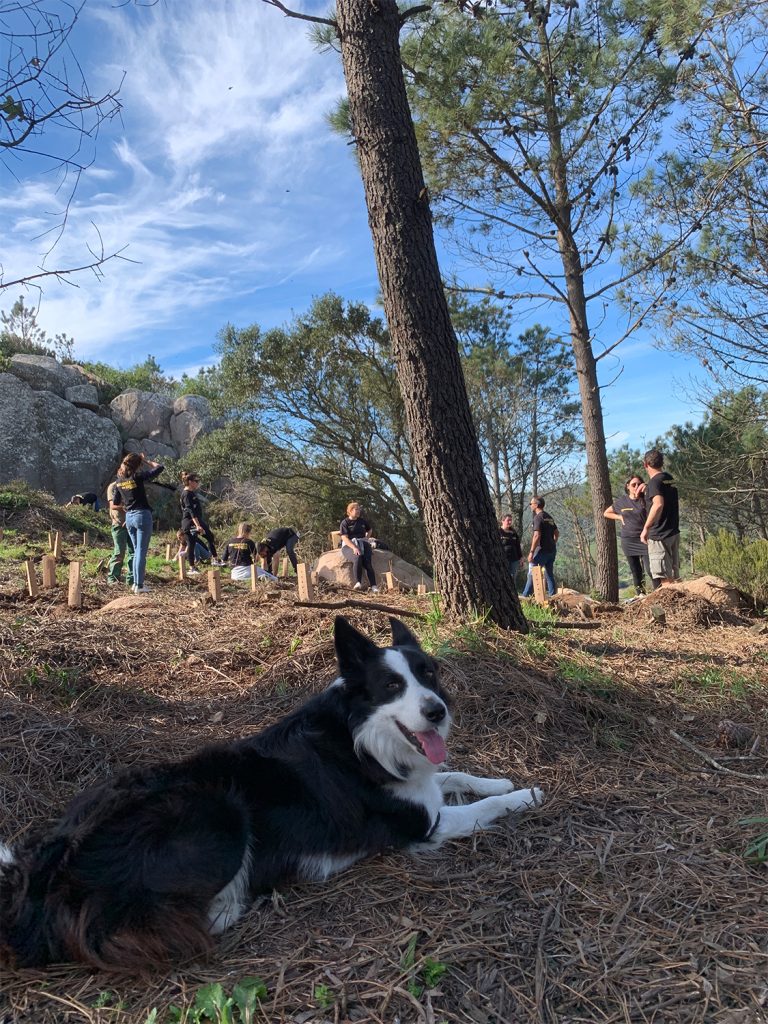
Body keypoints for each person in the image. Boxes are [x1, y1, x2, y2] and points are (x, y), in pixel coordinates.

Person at [113, 453, 164, 594]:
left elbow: (115, 503)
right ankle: (139, 585)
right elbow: (160, 468)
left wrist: (126, 505)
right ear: (137, 465)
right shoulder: (137, 477)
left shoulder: (119, 481)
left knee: (136, 552)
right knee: (141, 551)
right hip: (142, 516)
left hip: (129, 517)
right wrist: (146, 461)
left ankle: (136, 584)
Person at [603, 475, 652, 595]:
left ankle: (659, 591)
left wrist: (647, 491)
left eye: (639, 484)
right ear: (628, 486)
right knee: (636, 570)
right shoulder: (622, 502)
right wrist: (619, 516)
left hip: (645, 538)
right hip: (628, 540)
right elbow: (606, 513)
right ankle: (641, 594)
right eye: (633, 484)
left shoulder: (646, 500)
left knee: (650, 569)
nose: (636, 487)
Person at [639, 448, 680, 588]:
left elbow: (658, 505)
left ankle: (671, 610)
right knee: (674, 576)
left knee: (665, 579)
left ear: (646, 464)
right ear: (661, 463)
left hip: (659, 535)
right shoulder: (669, 479)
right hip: (673, 531)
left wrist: (646, 528)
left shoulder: (654, 483)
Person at [179, 472, 221, 571]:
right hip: (190, 522)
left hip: (197, 520)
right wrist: (197, 525)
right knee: (191, 543)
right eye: (196, 481)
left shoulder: (191, 493)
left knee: (210, 536)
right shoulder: (186, 494)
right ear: (190, 482)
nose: (198, 483)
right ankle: (192, 568)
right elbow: (190, 511)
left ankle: (215, 559)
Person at [521, 496, 559, 598]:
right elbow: (557, 533)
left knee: (533, 573)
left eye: (531, 504)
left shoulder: (538, 518)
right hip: (551, 551)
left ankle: (525, 596)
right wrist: (552, 543)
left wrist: (531, 552)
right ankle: (553, 596)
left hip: (541, 551)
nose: (530, 505)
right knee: (549, 574)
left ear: (536, 505)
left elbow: (537, 535)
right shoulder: (549, 517)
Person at [339, 501, 378, 593]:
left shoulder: (362, 521)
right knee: (357, 557)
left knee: (368, 562)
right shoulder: (345, 522)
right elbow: (344, 537)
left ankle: (374, 586)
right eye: (356, 509)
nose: (358, 511)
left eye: (359, 509)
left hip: (363, 543)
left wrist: (366, 538)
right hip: (349, 545)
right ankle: (358, 583)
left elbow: (370, 529)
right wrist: (354, 547)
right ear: (350, 511)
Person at [106, 479, 133, 588]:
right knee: (119, 552)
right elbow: (112, 505)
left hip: (132, 524)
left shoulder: (131, 485)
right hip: (119, 524)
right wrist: (126, 508)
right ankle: (113, 578)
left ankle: (131, 579)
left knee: (133, 553)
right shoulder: (113, 486)